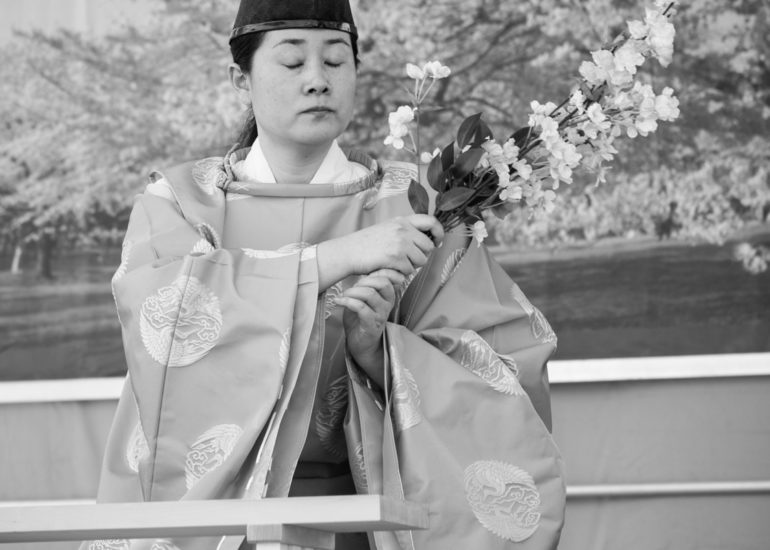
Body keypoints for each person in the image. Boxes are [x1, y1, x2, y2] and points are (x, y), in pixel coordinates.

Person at [84, 1, 565, 549]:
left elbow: (503, 371)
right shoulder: (181, 203)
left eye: (336, 61)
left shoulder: (414, 209)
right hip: (213, 519)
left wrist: (381, 354)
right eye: (293, 63)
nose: (317, 80)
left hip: (361, 514)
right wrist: (334, 259)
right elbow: (163, 325)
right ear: (239, 78)